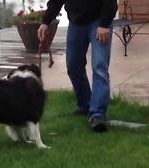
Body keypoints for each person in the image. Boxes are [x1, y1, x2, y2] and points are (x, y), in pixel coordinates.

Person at [38, 0, 118, 132]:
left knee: (99, 67)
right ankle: (86, 104)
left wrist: (104, 24)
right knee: (73, 66)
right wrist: (46, 22)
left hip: (99, 21)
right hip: (76, 23)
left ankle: (97, 115)